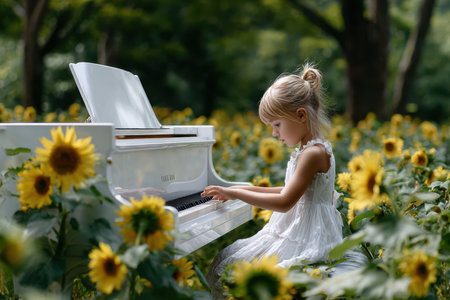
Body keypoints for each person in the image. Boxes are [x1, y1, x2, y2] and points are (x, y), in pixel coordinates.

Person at [202, 64, 345, 299]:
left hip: (309, 237)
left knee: (236, 269)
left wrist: (237, 194)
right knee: (228, 261)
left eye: (277, 125)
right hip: (297, 228)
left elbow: (284, 201)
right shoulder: (307, 149)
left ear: (300, 115)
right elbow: (290, 190)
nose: (274, 133)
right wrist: (239, 187)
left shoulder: (312, 154)